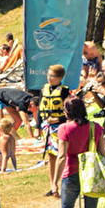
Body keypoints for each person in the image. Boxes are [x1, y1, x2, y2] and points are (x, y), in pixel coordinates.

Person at [54, 97, 105, 208]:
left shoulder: (64, 128)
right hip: (90, 174)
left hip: (71, 172)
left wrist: (54, 181)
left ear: (68, 111)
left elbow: (61, 156)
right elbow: (102, 153)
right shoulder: (96, 127)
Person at [39, 65, 71, 197]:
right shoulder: (44, 90)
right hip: (47, 127)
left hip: (60, 127)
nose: (49, 78)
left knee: (61, 155)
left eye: (52, 76)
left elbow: (70, 112)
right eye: (48, 75)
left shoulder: (64, 92)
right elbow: (40, 109)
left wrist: (58, 119)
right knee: (51, 156)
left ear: (60, 78)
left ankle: (60, 184)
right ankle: (52, 185)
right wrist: (37, 127)